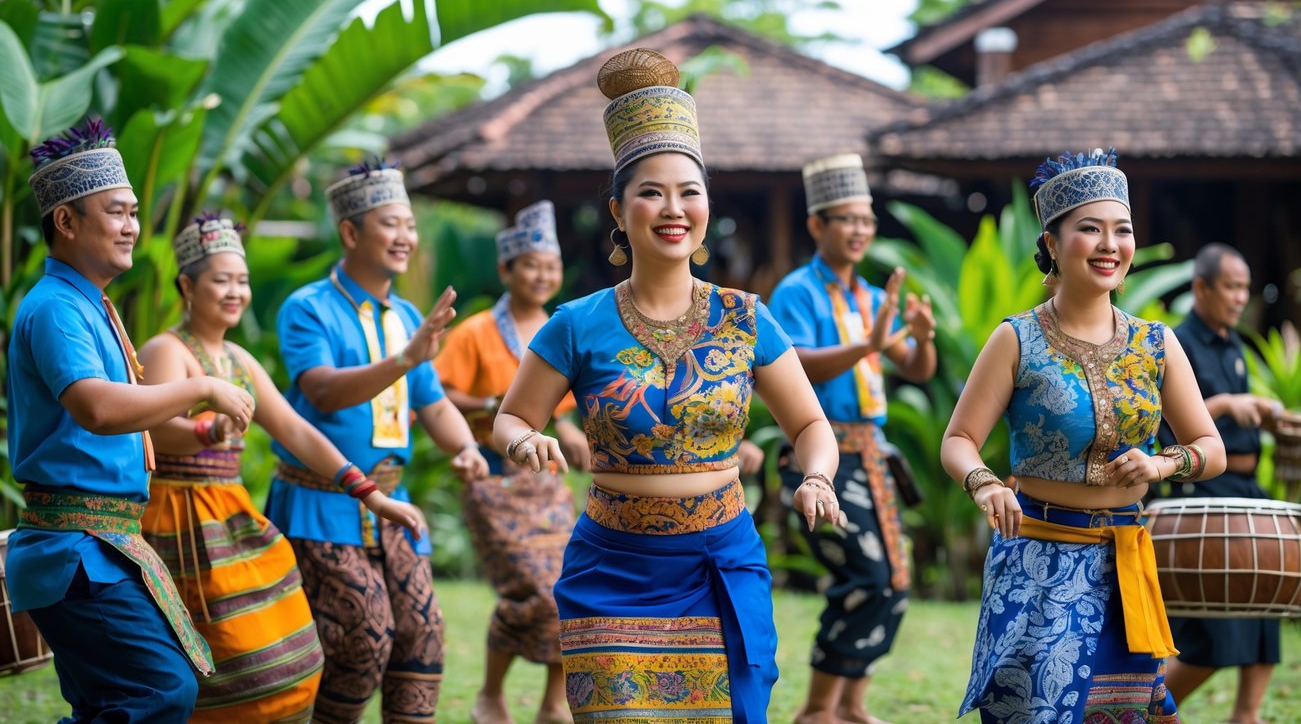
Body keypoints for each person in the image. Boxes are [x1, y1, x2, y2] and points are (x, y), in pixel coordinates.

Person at [493, 47, 845, 724]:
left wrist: (817, 477)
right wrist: (523, 441)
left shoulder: (746, 317)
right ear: (619, 210)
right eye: (651, 192)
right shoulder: (577, 323)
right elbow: (512, 417)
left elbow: (809, 425)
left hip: (720, 559)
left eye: (689, 192)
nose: (673, 207)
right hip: (612, 567)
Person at [941, 148, 1226, 722]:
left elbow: (1211, 448)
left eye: (1122, 230)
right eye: (1090, 229)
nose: (1109, 244)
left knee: (1123, 711)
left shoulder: (1157, 343)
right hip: (1037, 564)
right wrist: (984, 483)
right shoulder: (1017, 339)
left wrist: (1161, 465)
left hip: (1124, 567)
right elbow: (959, 439)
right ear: (1051, 242)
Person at [5, 118, 254, 721]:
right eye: (116, 212)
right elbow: (98, 408)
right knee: (161, 691)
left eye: (134, 212)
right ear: (66, 222)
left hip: (102, 546)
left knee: (113, 703)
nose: (132, 227)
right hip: (76, 550)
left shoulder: (89, 305)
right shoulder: (57, 308)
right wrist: (202, 387)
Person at [138, 213, 424, 722]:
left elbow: (296, 432)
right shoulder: (168, 350)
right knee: (231, 664)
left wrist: (367, 493)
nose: (235, 292)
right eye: (221, 280)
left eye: (242, 280)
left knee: (292, 659)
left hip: (227, 513)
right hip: (176, 519)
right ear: (187, 285)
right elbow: (151, 431)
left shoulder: (239, 360)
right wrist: (207, 431)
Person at [267, 160, 489, 723]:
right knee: (362, 635)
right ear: (350, 232)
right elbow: (321, 392)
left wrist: (464, 447)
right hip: (321, 501)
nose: (406, 236)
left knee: (423, 635)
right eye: (391, 224)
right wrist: (405, 358)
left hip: (393, 505)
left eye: (410, 225)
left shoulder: (407, 316)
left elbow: (433, 403)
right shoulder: (308, 308)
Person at [767, 153, 937, 724]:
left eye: (867, 220)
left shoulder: (871, 296)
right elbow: (793, 364)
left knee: (893, 580)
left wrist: (921, 337)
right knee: (864, 575)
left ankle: (852, 706)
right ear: (817, 225)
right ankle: (818, 709)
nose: (861, 230)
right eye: (848, 219)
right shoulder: (797, 291)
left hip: (873, 453)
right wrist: (868, 344)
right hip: (820, 455)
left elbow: (915, 368)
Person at [433, 199, 589, 724]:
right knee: (531, 590)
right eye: (531, 265)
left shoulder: (559, 329)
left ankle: (552, 704)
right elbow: (436, 392)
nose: (543, 275)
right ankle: (490, 695)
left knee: (567, 587)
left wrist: (571, 431)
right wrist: (492, 404)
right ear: (506, 270)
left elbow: (561, 410)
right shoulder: (476, 331)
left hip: (546, 481)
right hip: (491, 475)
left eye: (551, 266)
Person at [1158, 243, 1284, 724]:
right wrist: (1228, 404)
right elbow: (1162, 428)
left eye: (1245, 288)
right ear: (1201, 288)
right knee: (1210, 633)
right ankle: (1150, 713)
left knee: (1266, 611)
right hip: (1203, 490)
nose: (1240, 298)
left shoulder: (1233, 344)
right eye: (1231, 287)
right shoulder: (1179, 343)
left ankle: (1245, 716)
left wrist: (1265, 416)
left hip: (1247, 490)